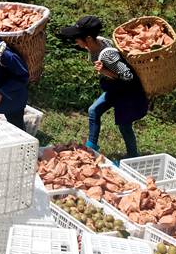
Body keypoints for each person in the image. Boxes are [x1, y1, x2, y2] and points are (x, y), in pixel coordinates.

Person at [59, 16, 147, 158]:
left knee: (124, 126)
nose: (75, 40)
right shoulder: (97, 42)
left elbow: (128, 76)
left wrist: (105, 71)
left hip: (127, 93)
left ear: (88, 38)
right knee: (94, 110)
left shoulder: (107, 55)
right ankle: (91, 149)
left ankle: (132, 157)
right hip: (114, 89)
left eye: (77, 37)